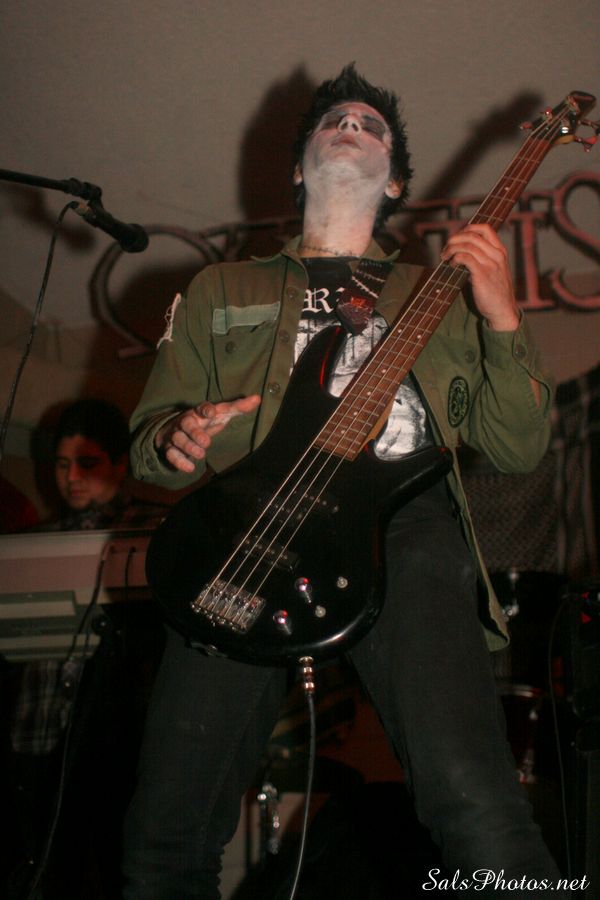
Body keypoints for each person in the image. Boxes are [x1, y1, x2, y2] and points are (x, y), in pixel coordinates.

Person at [122, 65, 566, 898]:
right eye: (334, 119)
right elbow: (150, 444)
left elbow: (516, 448)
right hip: (246, 533)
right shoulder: (222, 288)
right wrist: (176, 438)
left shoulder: (439, 294)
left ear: (394, 181)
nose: (352, 124)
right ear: (299, 168)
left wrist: (503, 316)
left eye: (372, 124)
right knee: (165, 833)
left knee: (479, 809)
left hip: (404, 528)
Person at [1, 399, 166, 899]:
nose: (70, 477)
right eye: (60, 464)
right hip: (36, 740)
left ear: (120, 462)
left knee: (120, 871)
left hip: (121, 742)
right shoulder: (29, 545)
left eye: (86, 463)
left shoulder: (156, 531)